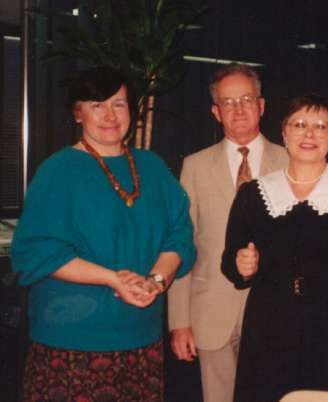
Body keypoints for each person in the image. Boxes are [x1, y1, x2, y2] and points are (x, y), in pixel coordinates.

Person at [10, 67, 196, 401]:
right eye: (97, 104)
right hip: (73, 343)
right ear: (77, 113)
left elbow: (179, 234)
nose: (110, 115)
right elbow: (37, 253)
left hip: (141, 340)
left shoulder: (152, 166)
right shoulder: (57, 170)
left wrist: (155, 281)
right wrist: (114, 279)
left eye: (119, 104)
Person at [221, 94, 328, 402]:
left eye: (320, 126)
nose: (309, 134)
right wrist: (241, 264)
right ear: (284, 134)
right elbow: (230, 261)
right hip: (271, 329)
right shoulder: (253, 194)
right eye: (299, 125)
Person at [167, 64, 288, 402]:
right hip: (210, 313)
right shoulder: (195, 166)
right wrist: (180, 321)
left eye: (246, 99)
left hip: (274, 314)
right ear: (215, 112)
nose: (238, 109)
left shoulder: (291, 161)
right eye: (228, 102)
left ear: (262, 106)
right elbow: (182, 244)